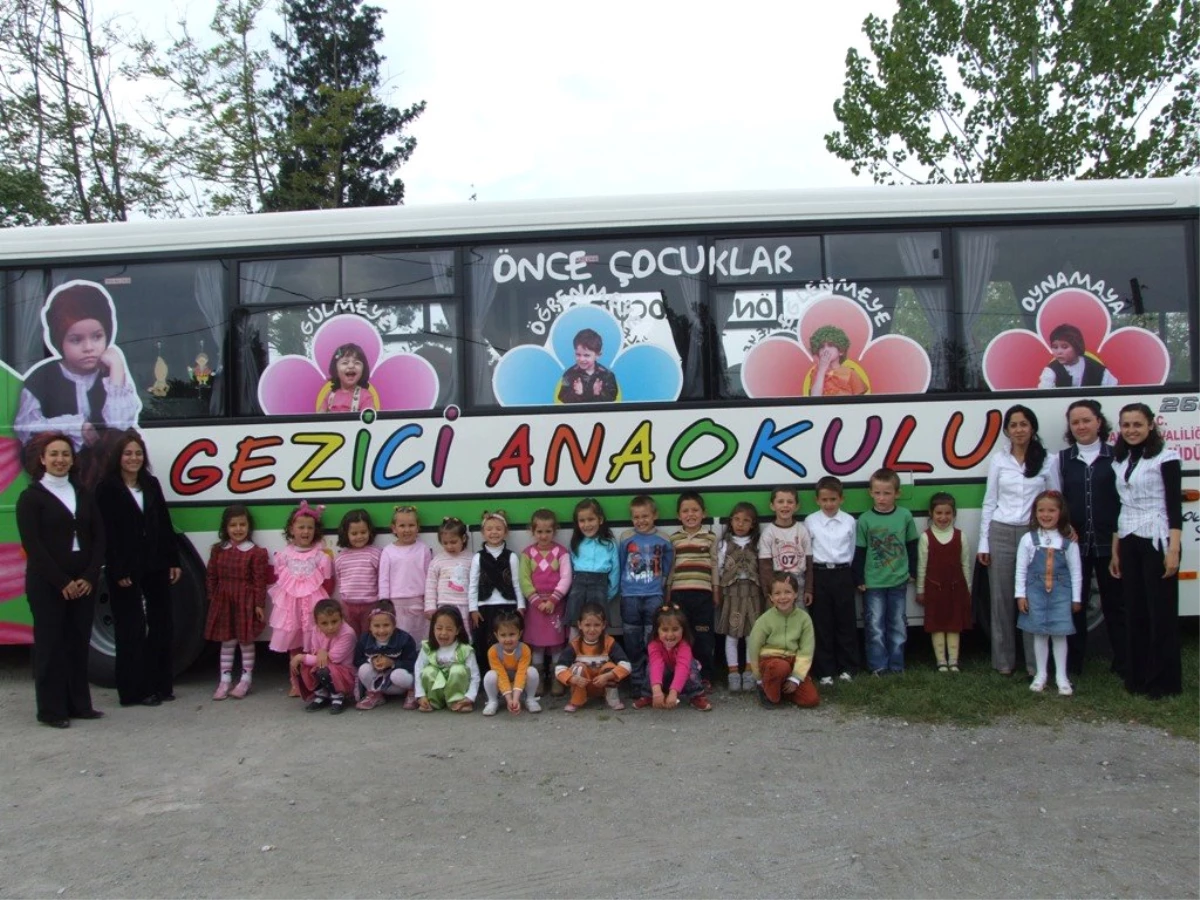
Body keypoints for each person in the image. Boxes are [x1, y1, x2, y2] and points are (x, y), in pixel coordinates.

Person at [16, 432, 106, 728]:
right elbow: (34, 547)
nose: (60, 459)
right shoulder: (31, 498)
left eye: (65, 454)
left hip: (83, 583)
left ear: (72, 459)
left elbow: (98, 538)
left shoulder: (83, 493)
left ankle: (80, 704)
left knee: (77, 644)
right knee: (50, 646)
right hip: (48, 585)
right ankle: (51, 710)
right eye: (54, 454)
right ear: (42, 459)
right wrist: (62, 582)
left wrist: (89, 576)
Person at [95, 430, 182, 707]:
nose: (134, 458)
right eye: (128, 453)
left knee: (162, 624)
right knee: (130, 628)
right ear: (118, 457)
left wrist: (173, 560)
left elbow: (165, 525)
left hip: (155, 562)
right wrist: (117, 569)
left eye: (138, 453)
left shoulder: (151, 483)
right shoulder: (107, 488)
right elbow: (105, 532)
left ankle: (161, 684)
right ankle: (133, 690)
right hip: (126, 567)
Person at [978, 404, 1061, 676]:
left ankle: (1035, 664)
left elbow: (1055, 500)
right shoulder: (999, 461)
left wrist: (1054, 534)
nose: (1018, 430)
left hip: (1033, 534)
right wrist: (984, 543)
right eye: (1013, 425)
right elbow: (990, 502)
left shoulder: (1047, 460)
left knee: (1032, 598)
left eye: (1023, 424)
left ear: (1032, 428)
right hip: (1000, 532)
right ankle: (1003, 662)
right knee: (1001, 600)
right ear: (1006, 431)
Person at [15, 282, 140, 459]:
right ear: (60, 341)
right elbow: (26, 429)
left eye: (97, 337)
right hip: (57, 473)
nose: (89, 347)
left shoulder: (111, 374)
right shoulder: (42, 378)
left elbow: (118, 425)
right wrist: (74, 425)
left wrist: (117, 367)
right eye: (76, 340)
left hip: (105, 473)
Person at [1111, 402, 1183, 698]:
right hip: (1129, 538)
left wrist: (1174, 550)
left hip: (1158, 539)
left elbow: (1174, 508)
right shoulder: (1120, 460)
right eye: (1126, 425)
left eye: (1137, 424)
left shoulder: (1166, 458)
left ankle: (1163, 682)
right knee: (1136, 610)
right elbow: (1120, 506)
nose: (1131, 430)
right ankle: (1137, 676)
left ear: (1151, 425)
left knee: (1160, 613)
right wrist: (1116, 550)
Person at [1058, 399, 1124, 677]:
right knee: (1077, 604)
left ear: (1099, 422)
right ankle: (1074, 664)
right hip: (1076, 544)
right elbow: (1056, 499)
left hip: (1111, 544)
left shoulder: (1118, 457)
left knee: (1116, 604)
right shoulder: (1061, 460)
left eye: (1086, 420)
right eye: (1075, 422)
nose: (1081, 426)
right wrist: (1064, 527)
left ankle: (1123, 662)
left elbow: (1125, 499)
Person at [854, 468, 918, 675]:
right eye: (878, 493)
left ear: (897, 493)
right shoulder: (864, 520)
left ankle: (897, 665)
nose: (882, 498)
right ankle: (878, 666)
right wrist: (860, 577)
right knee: (875, 626)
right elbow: (860, 551)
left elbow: (911, 545)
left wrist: (913, 570)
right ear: (870, 493)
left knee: (898, 625)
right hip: (873, 583)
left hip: (898, 580)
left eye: (887, 493)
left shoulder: (905, 516)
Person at [1016, 491, 1081, 696]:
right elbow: (1021, 570)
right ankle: (1041, 674)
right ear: (1035, 513)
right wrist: (1021, 595)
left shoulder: (1068, 540)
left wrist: (1076, 598)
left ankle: (1061, 676)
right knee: (1040, 633)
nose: (1046, 515)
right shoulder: (1028, 539)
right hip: (1035, 592)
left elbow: (1076, 571)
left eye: (1051, 510)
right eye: (1041, 510)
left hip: (1061, 593)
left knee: (1060, 634)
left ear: (1060, 512)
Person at [267, 501, 334, 695]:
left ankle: (311, 680)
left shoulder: (320, 556)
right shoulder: (284, 555)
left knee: (312, 642)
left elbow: (328, 582)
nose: (306, 531)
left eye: (310, 528)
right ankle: (295, 682)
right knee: (294, 643)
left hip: (312, 606)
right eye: (301, 527)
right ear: (291, 529)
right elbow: (278, 578)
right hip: (291, 607)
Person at [204, 504, 269, 701]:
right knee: (227, 640)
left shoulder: (255, 552)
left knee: (245, 641)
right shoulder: (218, 550)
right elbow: (211, 576)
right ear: (226, 527)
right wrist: (212, 597)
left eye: (242, 524)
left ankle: (246, 678)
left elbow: (260, 581)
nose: (238, 529)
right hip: (224, 599)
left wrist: (259, 604)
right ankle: (225, 679)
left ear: (249, 526)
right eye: (233, 525)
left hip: (245, 600)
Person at [619, 495, 674, 702]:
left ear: (655, 516)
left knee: (652, 640)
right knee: (633, 641)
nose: (641, 520)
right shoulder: (626, 538)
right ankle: (636, 682)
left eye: (645, 516)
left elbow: (668, 565)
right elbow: (622, 562)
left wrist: (662, 586)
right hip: (630, 595)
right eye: (636, 517)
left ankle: (653, 682)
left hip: (654, 595)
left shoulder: (664, 539)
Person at [804, 476, 859, 684]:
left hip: (842, 573)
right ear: (817, 500)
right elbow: (808, 551)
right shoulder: (810, 521)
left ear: (841, 499)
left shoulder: (849, 521)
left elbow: (852, 549)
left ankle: (848, 667)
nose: (829, 504)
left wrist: (849, 573)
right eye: (824, 500)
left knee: (845, 622)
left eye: (833, 499)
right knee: (822, 623)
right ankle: (825, 670)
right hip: (820, 574)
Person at [915, 492, 972, 672]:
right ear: (931, 514)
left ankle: (953, 661)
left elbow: (966, 564)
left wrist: (968, 590)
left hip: (956, 588)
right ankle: (941, 661)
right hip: (934, 589)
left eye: (947, 513)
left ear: (954, 514)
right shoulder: (926, 537)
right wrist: (920, 590)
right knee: (937, 625)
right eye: (939, 513)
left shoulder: (960, 536)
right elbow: (921, 566)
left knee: (954, 625)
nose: (943, 517)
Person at [519, 508, 572, 696]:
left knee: (557, 644)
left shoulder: (561, 552)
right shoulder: (527, 554)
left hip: (555, 605)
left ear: (554, 531)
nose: (543, 535)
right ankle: (538, 678)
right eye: (539, 531)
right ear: (532, 531)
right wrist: (536, 601)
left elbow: (566, 577)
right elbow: (524, 580)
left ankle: (558, 677)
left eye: (548, 531)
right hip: (536, 607)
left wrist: (553, 599)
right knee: (537, 644)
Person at [747, 572, 820, 708]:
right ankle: (765, 688)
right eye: (777, 593)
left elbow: (806, 650)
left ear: (796, 594)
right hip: (771, 662)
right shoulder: (765, 620)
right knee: (780, 668)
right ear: (771, 598)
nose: (783, 597)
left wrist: (796, 677)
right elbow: (753, 647)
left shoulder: (804, 619)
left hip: (792, 663)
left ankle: (783, 688)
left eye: (788, 592)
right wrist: (757, 677)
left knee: (811, 700)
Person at [668, 491, 719, 684]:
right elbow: (671, 568)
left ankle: (705, 676)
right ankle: (682, 675)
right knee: (680, 636)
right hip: (679, 594)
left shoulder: (710, 537)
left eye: (695, 510)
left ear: (703, 513)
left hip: (703, 594)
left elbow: (714, 565)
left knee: (703, 637)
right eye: (685, 511)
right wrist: (668, 593)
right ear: (678, 515)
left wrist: (716, 590)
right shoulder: (674, 539)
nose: (690, 515)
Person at [715, 500, 762, 692]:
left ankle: (750, 670)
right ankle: (733, 672)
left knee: (752, 633)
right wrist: (718, 590)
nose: (740, 524)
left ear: (753, 524)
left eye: (746, 520)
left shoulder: (757, 543)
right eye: (737, 519)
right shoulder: (724, 544)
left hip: (752, 591)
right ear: (731, 521)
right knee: (732, 634)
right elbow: (718, 568)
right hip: (732, 592)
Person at [468, 509, 523, 672]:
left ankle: (510, 673)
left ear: (505, 532)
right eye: (489, 529)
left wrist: (520, 606)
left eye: (498, 529)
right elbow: (473, 584)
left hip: (507, 606)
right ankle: (487, 675)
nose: (494, 532)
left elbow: (516, 583)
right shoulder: (478, 557)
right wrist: (473, 608)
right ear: (483, 533)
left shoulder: (511, 556)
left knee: (507, 642)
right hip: (484, 607)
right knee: (484, 643)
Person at [554, 603, 631, 712]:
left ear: (603, 625)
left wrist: (609, 675)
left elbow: (626, 665)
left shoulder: (609, 642)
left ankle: (612, 699)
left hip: (603, 684)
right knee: (578, 667)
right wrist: (572, 678)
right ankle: (576, 701)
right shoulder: (574, 645)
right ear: (580, 625)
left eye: (597, 625)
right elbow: (559, 668)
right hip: (582, 684)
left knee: (609, 666)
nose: (592, 629)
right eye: (587, 625)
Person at [633, 602, 711, 711]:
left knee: (690, 666)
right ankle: (650, 695)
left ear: (683, 629)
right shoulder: (653, 644)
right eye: (665, 630)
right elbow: (656, 665)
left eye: (675, 629)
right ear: (657, 630)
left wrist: (674, 693)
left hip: (682, 680)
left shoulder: (685, 644)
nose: (670, 635)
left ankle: (696, 695)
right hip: (663, 678)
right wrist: (657, 691)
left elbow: (682, 668)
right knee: (651, 666)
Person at [564, 498, 619, 639]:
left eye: (591, 519)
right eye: (582, 521)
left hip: (600, 586)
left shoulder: (609, 543)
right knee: (575, 623)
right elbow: (569, 569)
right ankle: (573, 655)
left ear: (600, 520)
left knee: (599, 623)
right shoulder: (576, 543)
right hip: (578, 586)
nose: (587, 524)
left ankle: (601, 655)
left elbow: (615, 571)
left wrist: (609, 593)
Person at [291, 598, 356, 714]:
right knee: (300, 665)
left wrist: (302, 656)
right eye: (324, 623)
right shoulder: (316, 630)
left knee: (322, 669)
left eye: (334, 621)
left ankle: (338, 696)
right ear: (317, 623)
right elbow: (315, 651)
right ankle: (322, 694)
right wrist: (320, 652)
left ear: (342, 619)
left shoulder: (348, 633)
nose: (330, 627)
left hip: (344, 672)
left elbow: (334, 659)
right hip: (324, 664)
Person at [377, 504, 431, 641]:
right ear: (394, 528)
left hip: (418, 601)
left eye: (411, 525)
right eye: (402, 526)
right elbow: (383, 578)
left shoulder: (423, 549)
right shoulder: (388, 551)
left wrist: (430, 601)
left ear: (418, 527)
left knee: (420, 636)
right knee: (399, 636)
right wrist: (384, 602)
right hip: (395, 603)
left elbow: (429, 577)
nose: (407, 530)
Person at [354, 601, 419, 711]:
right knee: (363, 669)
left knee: (397, 675)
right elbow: (357, 660)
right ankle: (375, 695)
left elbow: (413, 663)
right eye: (376, 626)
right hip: (379, 682)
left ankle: (411, 692)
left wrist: (393, 663)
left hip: (399, 685)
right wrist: (372, 661)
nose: (381, 630)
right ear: (370, 626)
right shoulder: (364, 640)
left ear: (394, 625)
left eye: (386, 625)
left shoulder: (404, 639)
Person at [415, 605, 480, 712]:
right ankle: (433, 701)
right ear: (433, 628)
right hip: (435, 690)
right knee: (428, 671)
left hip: (459, 690)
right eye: (439, 628)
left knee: (458, 670)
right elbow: (418, 670)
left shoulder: (465, 649)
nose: (443, 633)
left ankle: (458, 701)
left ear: (457, 630)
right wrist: (420, 695)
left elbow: (474, 675)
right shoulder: (428, 647)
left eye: (449, 629)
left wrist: (470, 697)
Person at [482, 609, 541, 716]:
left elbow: (521, 673)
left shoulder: (524, 649)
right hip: (502, 685)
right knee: (490, 675)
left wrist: (516, 698)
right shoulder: (493, 651)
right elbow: (501, 675)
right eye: (503, 635)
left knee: (532, 671)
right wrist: (509, 699)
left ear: (520, 634)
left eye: (512, 634)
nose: (508, 639)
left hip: (519, 686)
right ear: (496, 635)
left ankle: (530, 699)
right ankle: (493, 701)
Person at [333, 508, 381, 638]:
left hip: (370, 605)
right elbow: (340, 580)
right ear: (346, 534)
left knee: (369, 635)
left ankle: (367, 658)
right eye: (354, 533)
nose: (359, 536)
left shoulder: (375, 554)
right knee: (351, 636)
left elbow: (380, 579)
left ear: (369, 531)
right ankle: (353, 658)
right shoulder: (340, 557)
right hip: (348, 606)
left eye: (363, 532)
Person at [758, 486, 812, 600]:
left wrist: (808, 589)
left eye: (790, 502)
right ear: (772, 506)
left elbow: (809, 563)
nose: (785, 505)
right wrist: (768, 593)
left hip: (799, 582)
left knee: (798, 615)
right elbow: (765, 568)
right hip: (777, 582)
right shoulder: (768, 533)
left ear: (797, 506)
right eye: (780, 501)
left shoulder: (802, 530)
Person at [424, 516, 473, 636]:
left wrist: (474, 607)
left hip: (465, 606)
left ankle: (464, 654)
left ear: (464, 538)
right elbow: (430, 584)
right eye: (445, 543)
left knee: (465, 635)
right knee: (445, 634)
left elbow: (475, 585)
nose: (449, 546)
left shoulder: (472, 558)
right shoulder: (438, 560)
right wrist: (430, 606)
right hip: (444, 605)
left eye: (453, 542)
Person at [1038, 323, 1117, 389]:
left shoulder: (1097, 369)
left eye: (1064, 347)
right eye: (1055, 347)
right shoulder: (1050, 371)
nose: (1059, 352)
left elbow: (1113, 391)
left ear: (1077, 346)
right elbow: (1044, 394)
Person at [557, 328, 618, 404]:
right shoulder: (569, 374)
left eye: (586, 355)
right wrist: (577, 393)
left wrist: (598, 393)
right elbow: (562, 397)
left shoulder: (607, 375)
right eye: (578, 354)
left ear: (598, 355)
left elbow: (613, 397)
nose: (582, 359)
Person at [807, 325, 868, 397]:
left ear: (841, 351)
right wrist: (822, 370)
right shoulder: (816, 373)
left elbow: (860, 403)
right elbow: (815, 398)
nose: (826, 350)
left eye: (830, 345)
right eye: (821, 347)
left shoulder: (851, 373)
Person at [323, 342, 378, 413]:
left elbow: (369, 421)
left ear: (363, 370)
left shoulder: (365, 396)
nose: (351, 366)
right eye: (345, 363)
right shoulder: (330, 395)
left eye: (357, 363)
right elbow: (318, 419)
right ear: (335, 369)